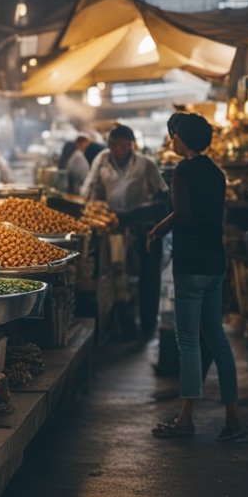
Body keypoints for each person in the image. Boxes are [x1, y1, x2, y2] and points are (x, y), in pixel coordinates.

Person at [148, 113, 242, 441]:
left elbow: (183, 213)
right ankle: (233, 418)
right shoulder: (217, 174)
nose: (171, 140)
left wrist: (157, 230)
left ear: (183, 138)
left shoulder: (182, 171)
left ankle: (185, 419)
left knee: (188, 341)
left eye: (173, 135)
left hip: (190, 264)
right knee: (216, 337)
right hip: (215, 262)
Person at [83, 124, 167, 340]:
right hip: (113, 226)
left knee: (147, 277)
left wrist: (152, 218)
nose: (121, 149)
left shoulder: (145, 165)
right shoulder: (102, 160)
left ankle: (148, 325)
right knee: (118, 277)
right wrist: (92, 210)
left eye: (125, 145)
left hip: (142, 225)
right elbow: (91, 189)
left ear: (132, 145)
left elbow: (162, 194)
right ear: (110, 145)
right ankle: (122, 326)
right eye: (116, 145)